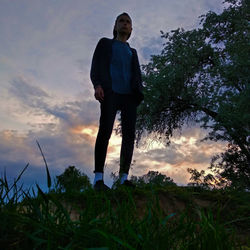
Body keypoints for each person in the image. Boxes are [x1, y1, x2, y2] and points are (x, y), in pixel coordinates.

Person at [90, 12, 144, 191]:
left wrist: (139, 94)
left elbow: (136, 73)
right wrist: (97, 84)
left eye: (128, 22)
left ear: (131, 29)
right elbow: (96, 65)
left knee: (129, 136)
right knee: (105, 131)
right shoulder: (105, 43)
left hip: (130, 96)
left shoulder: (132, 52)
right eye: (121, 21)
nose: (125, 24)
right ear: (115, 26)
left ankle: (123, 179)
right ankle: (98, 179)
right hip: (110, 92)